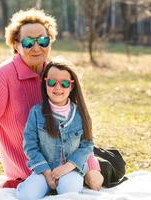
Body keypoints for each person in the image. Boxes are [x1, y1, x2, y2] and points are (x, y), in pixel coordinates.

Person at [0, 8, 103, 193]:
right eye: (28, 42)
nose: (36, 47)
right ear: (16, 45)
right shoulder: (4, 77)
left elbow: (78, 126)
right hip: (29, 174)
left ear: (50, 41)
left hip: (66, 170)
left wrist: (92, 168)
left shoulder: (56, 77)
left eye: (42, 40)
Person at [17, 61, 94, 200]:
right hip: (44, 170)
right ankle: (41, 186)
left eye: (64, 83)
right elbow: (30, 146)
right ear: (45, 83)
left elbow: (87, 145)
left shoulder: (80, 113)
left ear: (72, 86)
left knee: (69, 191)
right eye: (52, 82)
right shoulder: (36, 113)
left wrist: (66, 168)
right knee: (27, 195)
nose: (58, 87)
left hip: (71, 170)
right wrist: (47, 173)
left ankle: (61, 186)